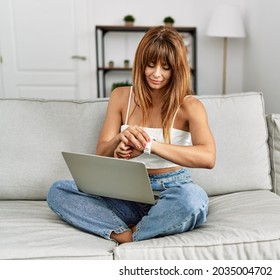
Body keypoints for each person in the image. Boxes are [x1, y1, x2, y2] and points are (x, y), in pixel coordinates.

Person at [47, 26, 216, 244]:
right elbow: (102, 150)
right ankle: (127, 233)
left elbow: (208, 157)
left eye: (166, 67)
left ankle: (133, 232)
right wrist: (120, 141)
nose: (157, 74)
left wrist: (148, 145)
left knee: (194, 200)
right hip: (126, 192)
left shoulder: (190, 106)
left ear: (177, 69)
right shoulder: (120, 97)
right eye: (150, 64)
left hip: (172, 190)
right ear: (140, 63)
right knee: (58, 191)